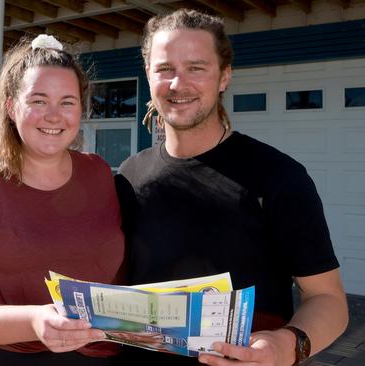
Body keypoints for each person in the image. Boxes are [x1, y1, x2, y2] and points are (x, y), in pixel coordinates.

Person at [116, 9, 348, 366]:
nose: (178, 84)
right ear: (148, 75)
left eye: (196, 67)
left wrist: (285, 347)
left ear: (224, 77)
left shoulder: (278, 177)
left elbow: (329, 300)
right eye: (165, 69)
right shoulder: (129, 176)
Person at [0, 34, 125, 366]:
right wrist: (35, 321)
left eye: (67, 101)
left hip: (99, 356)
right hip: (3, 357)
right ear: (11, 106)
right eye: (38, 100)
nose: (54, 115)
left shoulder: (99, 173)